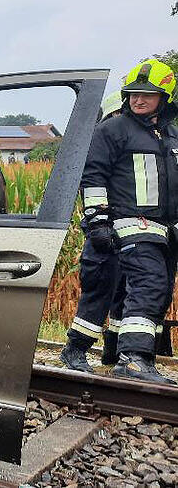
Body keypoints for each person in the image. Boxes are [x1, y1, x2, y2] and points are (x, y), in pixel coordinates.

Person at [78, 59, 178, 384]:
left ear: (165, 97)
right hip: (131, 224)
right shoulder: (113, 129)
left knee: (152, 292)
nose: (138, 99)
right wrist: (97, 223)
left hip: (166, 231)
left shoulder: (171, 134)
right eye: (133, 94)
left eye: (147, 95)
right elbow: (92, 176)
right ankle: (133, 360)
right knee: (149, 283)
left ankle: (117, 353)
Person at [61, 93, 127, 372]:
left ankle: (113, 353)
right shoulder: (100, 148)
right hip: (103, 233)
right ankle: (74, 350)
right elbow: (92, 186)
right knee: (99, 289)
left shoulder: (132, 146)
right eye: (116, 116)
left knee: (123, 294)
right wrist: (99, 226)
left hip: (129, 231)